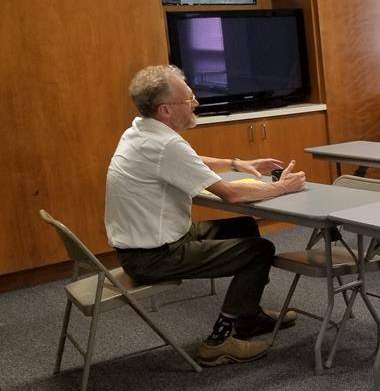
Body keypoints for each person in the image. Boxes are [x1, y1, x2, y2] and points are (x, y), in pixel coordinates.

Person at [105, 65, 307, 368]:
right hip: (155, 257)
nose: (196, 103)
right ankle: (218, 342)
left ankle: (248, 316)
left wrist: (236, 162)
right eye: (188, 99)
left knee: (243, 225)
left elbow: (189, 160)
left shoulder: (140, 130)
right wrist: (281, 187)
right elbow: (232, 195)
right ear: (165, 110)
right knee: (259, 251)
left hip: (144, 246)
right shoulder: (166, 143)